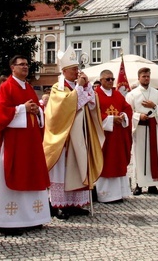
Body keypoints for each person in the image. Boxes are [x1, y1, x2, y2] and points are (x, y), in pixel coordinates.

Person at [0, 56, 51, 234]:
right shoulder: (6, 88)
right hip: (14, 143)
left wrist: (38, 111)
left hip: (31, 142)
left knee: (32, 176)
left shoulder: (29, 88)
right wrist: (23, 109)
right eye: (21, 65)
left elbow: (38, 110)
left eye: (27, 64)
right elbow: (0, 115)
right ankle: (10, 222)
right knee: (14, 176)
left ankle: (33, 218)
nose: (25, 67)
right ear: (12, 68)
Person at [43, 47, 104, 220]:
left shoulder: (81, 86)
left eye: (77, 68)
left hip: (79, 136)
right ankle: (58, 205)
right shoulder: (57, 87)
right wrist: (80, 88)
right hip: (63, 137)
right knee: (62, 171)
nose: (77, 71)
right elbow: (63, 107)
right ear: (64, 71)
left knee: (77, 168)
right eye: (73, 69)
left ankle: (75, 204)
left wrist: (88, 89)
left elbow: (92, 105)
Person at [126, 67, 158, 195]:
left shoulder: (157, 94)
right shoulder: (132, 94)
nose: (146, 78)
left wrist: (154, 106)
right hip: (139, 128)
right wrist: (139, 116)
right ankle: (139, 184)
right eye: (144, 76)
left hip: (153, 128)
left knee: (153, 155)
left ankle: (152, 185)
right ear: (139, 78)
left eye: (148, 76)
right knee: (139, 156)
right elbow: (128, 112)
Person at [94, 70, 133, 203]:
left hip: (117, 135)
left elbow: (127, 108)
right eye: (107, 79)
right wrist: (110, 119)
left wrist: (123, 117)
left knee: (118, 161)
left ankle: (119, 193)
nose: (110, 81)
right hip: (104, 136)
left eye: (112, 79)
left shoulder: (118, 94)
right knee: (106, 163)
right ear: (101, 80)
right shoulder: (96, 95)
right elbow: (94, 114)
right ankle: (106, 195)